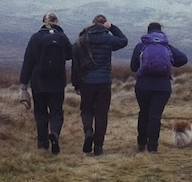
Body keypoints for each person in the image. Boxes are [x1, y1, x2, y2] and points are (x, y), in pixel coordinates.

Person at [128, 21, 188, 153]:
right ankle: (152, 147)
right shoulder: (167, 46)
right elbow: (183, 59)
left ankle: (141, 143)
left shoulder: (141, 46)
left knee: (144, 113)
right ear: (161, 31)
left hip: (143, 86)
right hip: (162, 87)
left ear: (148, 31)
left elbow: (133, 67)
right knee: (155, 116)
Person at [19, 12, 74, 153]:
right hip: (57, 81)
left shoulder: (35, 37)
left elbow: (28, 61)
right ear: (57, 22)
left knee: (40, 112)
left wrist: (23, 84)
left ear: (43, 22)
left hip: (38, 82)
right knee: (56, 111)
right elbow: (70, 55)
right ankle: (54, 133)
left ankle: (43, 144)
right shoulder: (61, 37)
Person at [73, 14, 128, 156]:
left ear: (92, 23)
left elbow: (76, 63)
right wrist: (113, 27)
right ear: (105, 25)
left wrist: (76, 83)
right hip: (104, 82)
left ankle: (88, 131)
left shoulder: (81, 40)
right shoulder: (108, 39)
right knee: (101, 114)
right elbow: (123, 41)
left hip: (87, 82)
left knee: (86, 111)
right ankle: (98, 147)